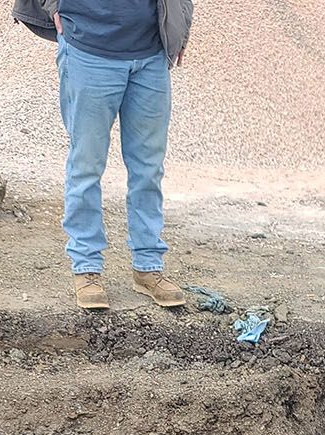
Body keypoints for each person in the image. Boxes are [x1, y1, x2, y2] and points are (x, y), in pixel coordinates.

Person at [13, 0, 192, 311]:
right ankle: (86, 268)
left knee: (149, 168)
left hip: (150, 55)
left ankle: (148, 267)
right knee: (87, 165)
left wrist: (180, 29)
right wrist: (54, 7)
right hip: (88, 50)